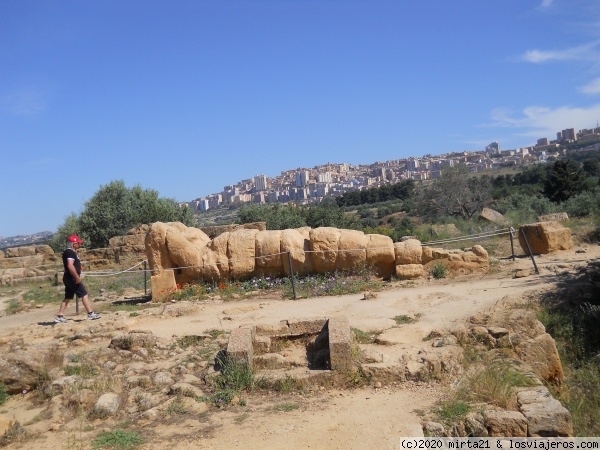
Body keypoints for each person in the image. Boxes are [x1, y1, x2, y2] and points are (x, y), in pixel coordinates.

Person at [54, 235, 101, 323]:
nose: (79, 245)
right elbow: (70, 265)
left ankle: (60, 315)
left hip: (68, 277)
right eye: (78, 243)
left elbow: (73, 264)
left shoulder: (69, 252)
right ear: (74, 244)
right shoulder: (70, 252)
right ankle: (90, 313)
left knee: (68, 297)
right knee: (84, 294)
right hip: (72, 278)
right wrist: (76, 277)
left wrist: (79, 267)